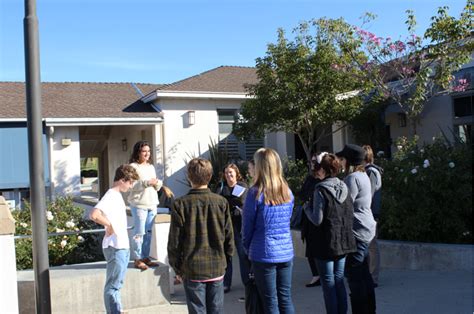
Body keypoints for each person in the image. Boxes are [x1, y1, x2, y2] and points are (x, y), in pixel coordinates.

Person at [167, 158, 234, 314]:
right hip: (217, 266)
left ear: (189, 177)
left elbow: (174, 242)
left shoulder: (180, 204)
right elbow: (229, 238)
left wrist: (178, 268)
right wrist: (226, 261)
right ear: (209, 176)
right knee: (216, 310)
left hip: (192, 269)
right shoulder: (221, 202)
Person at [242, 148, 295, 314]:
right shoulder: (287, 192)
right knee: (285, 298)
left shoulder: (255, 194)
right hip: (285, 252)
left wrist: (247, 249)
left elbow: (247, 228)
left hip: (263, 253)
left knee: (270, 302)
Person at [304, 152, 356, 314]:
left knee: (328, 284)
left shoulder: (320, 190)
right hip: (343, 241)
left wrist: (306, 208)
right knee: (338, 281)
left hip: (325, 244)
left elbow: (317, 219)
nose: (316, 171)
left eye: (318, 168)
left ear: (323, 170)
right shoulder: (344, 186)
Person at [89, 164, 139, 314]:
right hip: (116, 247)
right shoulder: (111, 195)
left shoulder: (115, 196)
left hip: (120, 246)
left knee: (116, 284)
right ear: (123, 180)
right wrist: (109, 225)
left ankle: (118, 309)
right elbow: (94, 214)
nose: (130, 187)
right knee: (113, 286)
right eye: (130, 183)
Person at [336, 144, 377, 314]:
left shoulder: (352, 178)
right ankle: (370, 309)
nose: (340, 161)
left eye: (342, 159)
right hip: (366, 229)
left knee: (355, 278)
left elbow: (345, 205)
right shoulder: (363, 175)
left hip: (357, 232)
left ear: (348, 161)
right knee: (364, 275)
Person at [216, 163, 250, 294]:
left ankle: (247, 282)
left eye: (231, 172)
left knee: (243, 254)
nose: (228, 175)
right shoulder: (221, 187)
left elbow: (242, 203)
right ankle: (226, 283)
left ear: (236, 173)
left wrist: (231, 202)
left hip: (239, 225)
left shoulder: (242, 186)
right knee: (226, 256)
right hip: (225, 226)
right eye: (226, 173)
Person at [128, 140, 162, 270]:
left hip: (152, 204)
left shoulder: (151, 167)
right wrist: (147, 183)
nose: (147, 154)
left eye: (148, 151)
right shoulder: (133, 167)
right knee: (139, 233)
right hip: (139, 205)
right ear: (138, 152)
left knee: (148, 233)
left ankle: (145, 257)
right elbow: (131, 185)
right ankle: (137, 259)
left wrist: (157, 183)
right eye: (144, 151)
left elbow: (156, 185)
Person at [362, 145, 383, 287]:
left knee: (372, 246)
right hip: (370, 212)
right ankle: (369, 275)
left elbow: (369, 194)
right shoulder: (369, 171)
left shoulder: (371, 172)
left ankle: (373, 276)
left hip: (371, 213)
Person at [300, 154, 321, 288]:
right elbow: (302, 193)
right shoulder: (310, 178)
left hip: (317, 217)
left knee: (317, 248)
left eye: (314, 161)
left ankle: (320, 275)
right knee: (310, 248)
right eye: (311, 161)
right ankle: (316, 274)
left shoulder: (322, 181)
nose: (312, 164)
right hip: (308, 216)